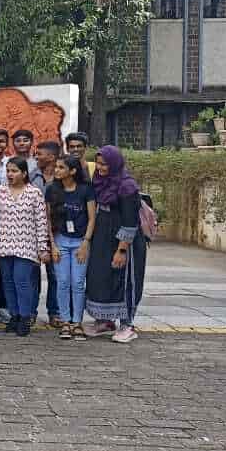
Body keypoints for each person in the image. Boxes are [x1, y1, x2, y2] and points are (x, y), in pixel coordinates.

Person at [85, 146, 147, 344]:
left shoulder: (127, 186)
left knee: (125, 281)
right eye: (98, 163)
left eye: (104, 164)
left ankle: (127, 325)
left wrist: (121, 250)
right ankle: (105, 321)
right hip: (103, 238)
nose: (100, 168)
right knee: (101, 278)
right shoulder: (99, 181)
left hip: (124, 241)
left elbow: (130, 221)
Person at [0, 156, 50, 337]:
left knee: (22, 281)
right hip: (4, 243)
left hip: (26, 245)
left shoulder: (34, 193)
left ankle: (25, 317)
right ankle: (14, 316)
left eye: (14, 171)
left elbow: (41, 222)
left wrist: (43, 247)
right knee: (7, 282)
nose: (10, 174)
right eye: (8, 171)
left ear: (24, 173)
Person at [46, 155, 96, 341]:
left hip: (80, 242)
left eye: (61, 167)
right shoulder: (52, 190)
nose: (56, 170)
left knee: (78, 283)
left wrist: (85, 243)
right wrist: (52, 245)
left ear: (73, 171)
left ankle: (77, 322)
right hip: (60, 241)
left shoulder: (86, 190)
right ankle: (65, 321)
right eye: (56, 167)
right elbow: (48, 220)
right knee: (63, 282)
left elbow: (92, 218)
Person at [30, 140, 62, 326]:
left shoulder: (63, 178)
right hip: (33, 233)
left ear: (51, 157)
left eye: (40, 154)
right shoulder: (31, 177)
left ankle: (55, 312)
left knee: (55, 275)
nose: (36, 157)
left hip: (56, 234)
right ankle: (30, 312)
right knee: (32, 275)